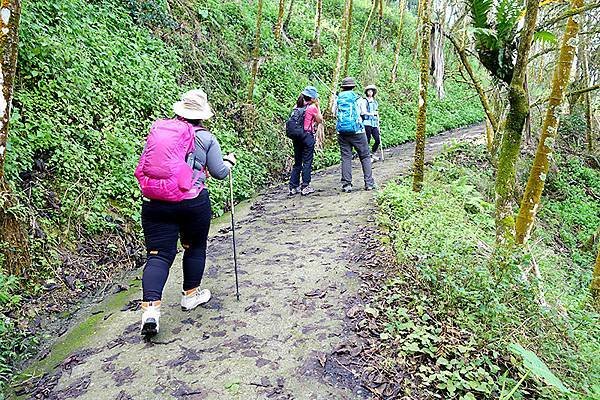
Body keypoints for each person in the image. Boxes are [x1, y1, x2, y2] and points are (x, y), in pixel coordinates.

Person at [134, 89, 236, 337]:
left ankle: (151, 310)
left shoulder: (161, 133)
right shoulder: (207, 138)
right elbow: (220, 172)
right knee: (194, 246)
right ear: (202, 115)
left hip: (156, 200)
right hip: (192, 202)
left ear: (179, 111)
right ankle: (191, 294)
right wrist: (229, 162)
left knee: (158, 255)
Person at [332, 77, 376, 192]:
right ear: (353, 87)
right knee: (365, 156)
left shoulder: (338, 98)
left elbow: (334, 113)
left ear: (343, 87)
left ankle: (347, 185)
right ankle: (369, 183)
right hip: (358, 132)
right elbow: (362, 112)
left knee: (346, 157)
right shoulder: (358, 99)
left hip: (342, 132)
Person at [288, 86, 323, 196]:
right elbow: (319, 120)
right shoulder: (312, 108)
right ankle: (305, 186)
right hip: (307, 136)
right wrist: (318, 106)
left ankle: (293, 187)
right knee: (307, 161)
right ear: (312, 98)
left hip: (297, 137)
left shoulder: (296, 107)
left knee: (297, 162)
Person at [359, 84, 381, 162]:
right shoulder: (364, 101)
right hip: (366, 123)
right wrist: (372, 113)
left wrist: (376, 115)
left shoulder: (375, 102)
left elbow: (376, 111)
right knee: (367, 140)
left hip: (374, 123)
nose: (370, 92)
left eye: (371, 91)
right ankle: (367, 156)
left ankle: (373, 153)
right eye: (369, 91)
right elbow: (363, 112)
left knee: (377, 140)